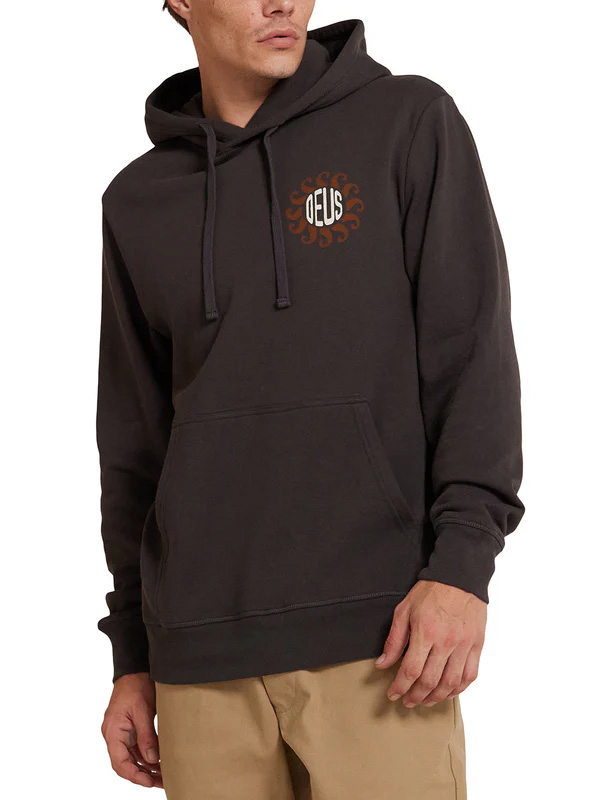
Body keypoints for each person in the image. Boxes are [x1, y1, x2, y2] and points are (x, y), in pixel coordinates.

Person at [96, 2, 525, 797]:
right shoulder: (137, 200)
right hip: (199, 663)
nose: (284, 2)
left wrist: (463, 570)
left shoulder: (406, 123)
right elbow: (134, 444)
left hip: (384, 646)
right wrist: (133, 654)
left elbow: (471, 361)